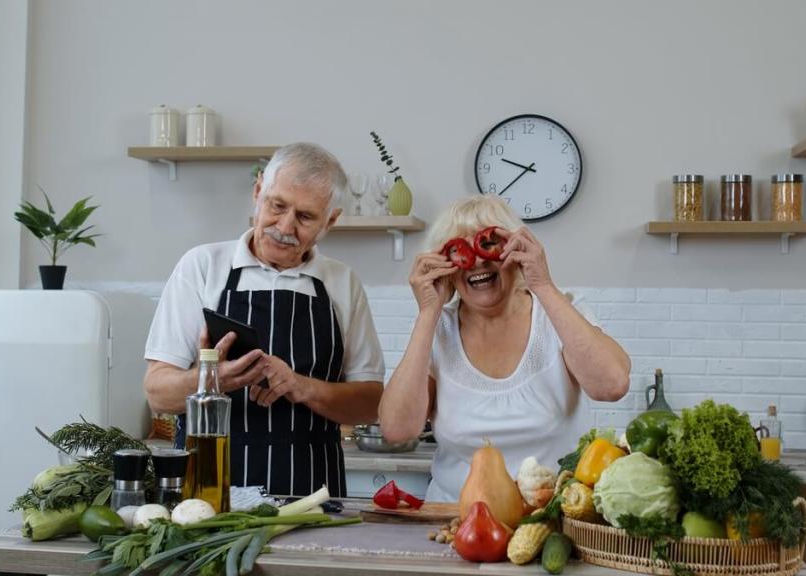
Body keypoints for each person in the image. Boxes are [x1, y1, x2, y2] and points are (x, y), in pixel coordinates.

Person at [144, 142, 384, 497]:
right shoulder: (202, 266)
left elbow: (370, 403)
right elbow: (157, 394)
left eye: (305, 217)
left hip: (312, 493)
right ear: (258, 192)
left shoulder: (341, 282)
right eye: (277, 206)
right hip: (211, 492)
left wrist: (301, 387)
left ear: (330, 221)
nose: (285, 226)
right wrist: (214, 380)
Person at [378, 196, 630, 502]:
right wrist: (428, 313)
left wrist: (543, 285)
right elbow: (396, 430)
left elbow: (612, 385)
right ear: (447, 267)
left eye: (490, 246)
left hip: (549, 518)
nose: (478, 261)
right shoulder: (437, 328)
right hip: (453, 520)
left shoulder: (559, 313)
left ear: (516, 252)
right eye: (460, 251)